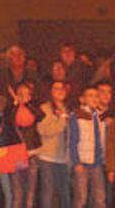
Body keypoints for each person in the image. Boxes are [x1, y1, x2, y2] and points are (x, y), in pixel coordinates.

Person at [69, 85, 107, 208]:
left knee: (99, 197)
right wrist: (76, 162)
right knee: (81, 197)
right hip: (83, 162)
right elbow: (72, 140)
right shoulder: (77, 116)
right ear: (82, 99)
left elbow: (102, 140)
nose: (94, 98)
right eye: (90, 96)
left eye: (96, 96)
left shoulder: (101, 116)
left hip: (97, 161)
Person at [36, 80, 71, 208]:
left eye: (62, 88)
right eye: (56, 88)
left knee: (64, 193)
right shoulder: (44, 108)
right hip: (47, 156)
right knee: (48, 193)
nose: (60, 91)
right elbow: (43, 130)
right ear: (50, 91)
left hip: (63, 157)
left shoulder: (68, 109)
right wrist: (61, 121)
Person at [10, 80, 44, 208]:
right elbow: (8, 122)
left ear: (30, 96)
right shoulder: (10, 109)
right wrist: (15, 106)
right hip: (15, 154)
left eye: (26, 94)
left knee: (30, 195)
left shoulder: (33, 108)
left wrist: (27, 104)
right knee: (17, 195)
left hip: (32, 154)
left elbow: (41, 115)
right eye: (20, 93)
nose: (22, 96)